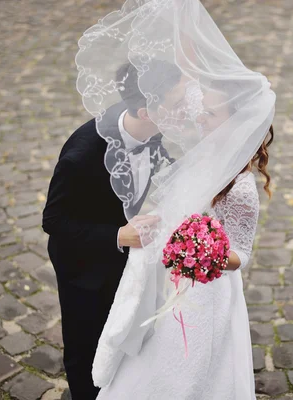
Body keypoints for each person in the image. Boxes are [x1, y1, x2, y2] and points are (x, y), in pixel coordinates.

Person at [94, 82, 274, 399]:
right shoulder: (208, 147)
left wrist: (202, 250)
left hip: (202, 297)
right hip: (166, 280)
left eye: (209, 113)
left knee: (188, 374)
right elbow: (188, 79)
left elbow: (242, 254)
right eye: (201, 109)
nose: (199, 117)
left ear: (236, 122)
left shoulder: (241, 189)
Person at [42, 60, 185, 400]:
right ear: (146, 111)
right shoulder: (81, 156)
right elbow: (53, 221)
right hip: (82, 265)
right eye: (177, 104)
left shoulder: (150, 123)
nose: (185, 110)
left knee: (125, 332)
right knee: (85, 345)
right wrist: (119, 235)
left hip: (124, 257)